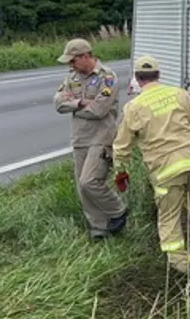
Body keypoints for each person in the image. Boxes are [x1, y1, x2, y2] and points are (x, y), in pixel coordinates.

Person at [111, 55, 190, 286]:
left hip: (165, 168)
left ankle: (183, 272)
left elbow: (121, 146)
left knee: (169, 217)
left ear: (138, 79)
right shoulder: (180, 94)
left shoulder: (133, 108)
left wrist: (120, 172)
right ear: (159, 75)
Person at [53, 38, 129, 240]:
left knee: (90, 181)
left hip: (101, 138)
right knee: (82, 188)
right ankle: (99, 230)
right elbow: (58, 103)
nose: (70, 66)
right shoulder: (72, 78)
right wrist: (80, 102)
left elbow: (99, 109)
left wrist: (74, 104)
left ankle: (117, 209)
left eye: (73, 61)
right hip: (80, 138)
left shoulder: (107, 77)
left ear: (85, 56)